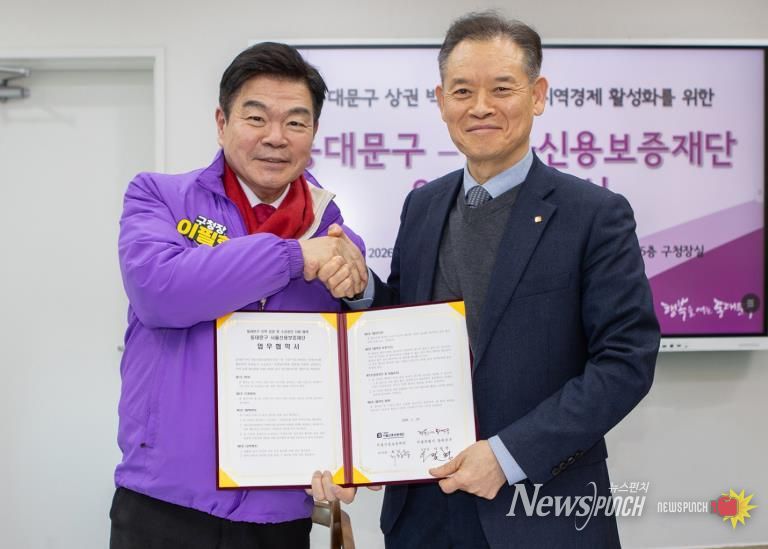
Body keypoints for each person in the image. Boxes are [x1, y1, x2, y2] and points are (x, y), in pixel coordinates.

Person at [336, 11, 660, 548]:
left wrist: (509, 456)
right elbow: (408, 324)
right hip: (423, 511)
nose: (481, 106)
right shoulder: (422, 204)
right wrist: (361, 289)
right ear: (441, 100)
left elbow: (626, 362)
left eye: (502, 89)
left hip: (542, 512)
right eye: (463, 90)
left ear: (537, 95)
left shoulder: (594, 214)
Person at [110, 42, 367, 549]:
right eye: (256, 118)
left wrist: (353, 459)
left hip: (280, 516)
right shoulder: (159, 196)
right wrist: (292, 257)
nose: (276, 137)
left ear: (314, 133)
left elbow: (357, 368)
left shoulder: (337, 241)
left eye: (296, 122)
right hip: (163, 503)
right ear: (221, 122)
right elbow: (159, 291)